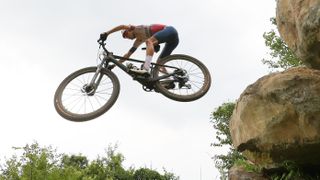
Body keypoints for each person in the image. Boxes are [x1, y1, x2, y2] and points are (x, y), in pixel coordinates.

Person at [99, 24, 179, 74]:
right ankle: (171, 77)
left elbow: (121, 26)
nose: (127, 38)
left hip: (170, 30)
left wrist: (107, 33)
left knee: (149, 42)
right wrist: (114, 65)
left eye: (126, 35)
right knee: (159, 64)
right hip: (172, 41)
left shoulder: (135, 28)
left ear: (129, 30)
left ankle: (146, 68)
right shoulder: (138, 41)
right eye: (125, 38)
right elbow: (127, 55)